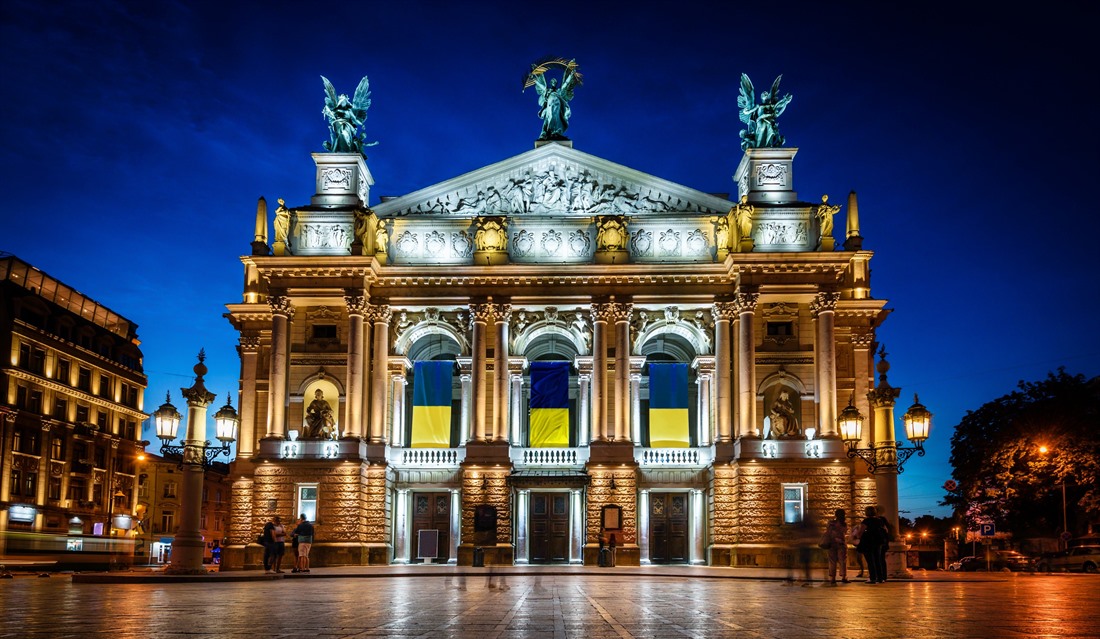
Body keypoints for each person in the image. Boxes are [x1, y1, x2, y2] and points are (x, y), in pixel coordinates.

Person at [858, 506, 887, 583]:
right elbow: (886, 530)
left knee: (870, 561)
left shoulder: (866, 521)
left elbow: (860, 532)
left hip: (868, 542)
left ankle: (873, 578)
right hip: (878, 542)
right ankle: (880, 578)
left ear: (866, 512)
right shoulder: (880, 521)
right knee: (878, 560)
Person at [824, 509, 849, 585]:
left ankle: (832, 578)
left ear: (836, 515)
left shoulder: (831, 523)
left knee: (832, 561)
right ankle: (843, 577)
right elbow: (844, 532)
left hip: (832, 543)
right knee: (842, 561)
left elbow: (828, 531)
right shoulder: (844, 524)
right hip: (841, 543)